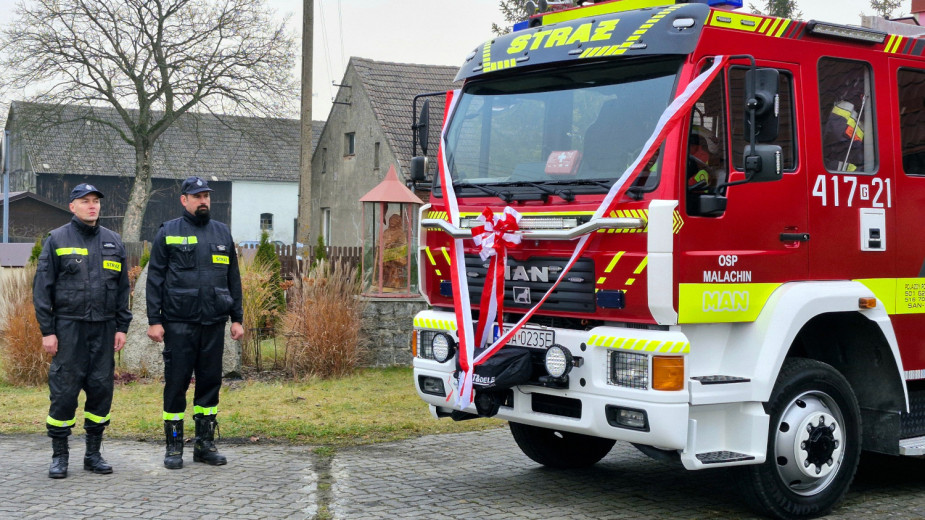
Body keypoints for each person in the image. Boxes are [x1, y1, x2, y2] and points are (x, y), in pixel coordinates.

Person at [33, 183, 132, 479]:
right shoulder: (57, 239)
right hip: (68, 328)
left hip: (103, 329)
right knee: (64, 392)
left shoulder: (114, 241)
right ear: (72, 206)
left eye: (96, 201)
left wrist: (121, 327)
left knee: (101, 391)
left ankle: (93, 454)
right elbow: (42, 291)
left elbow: (122, 289)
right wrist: (47, 331)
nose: (92, 206)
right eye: (85, 201)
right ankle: (60, 456)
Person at [146, 176, 244, 469]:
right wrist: (154, 320)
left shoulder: (222, 233)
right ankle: (174, 446)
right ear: (184, 200)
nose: (204, 201)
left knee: (210, 385)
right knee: (176, 386)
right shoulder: (169, 232)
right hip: (179, 324)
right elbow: (155, 280)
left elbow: (233, 279)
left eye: (207, 196)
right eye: (198, 196)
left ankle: (204, 445)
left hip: (213, 323)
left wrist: (237, 318)